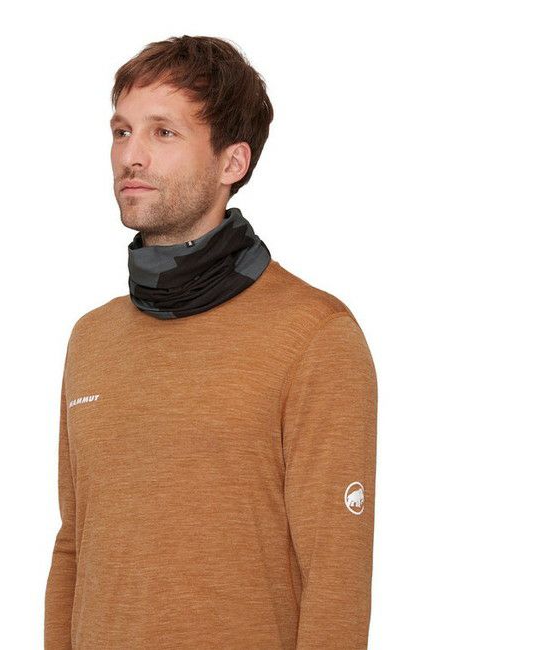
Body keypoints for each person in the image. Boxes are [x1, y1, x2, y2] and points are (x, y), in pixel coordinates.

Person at [44, 35, 377, 650]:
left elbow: (337, 576)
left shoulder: (314, 334)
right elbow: (74, 543)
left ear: (232, 163)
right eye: (121, 131)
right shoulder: (92, 339)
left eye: (163, 132)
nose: (130, 156)